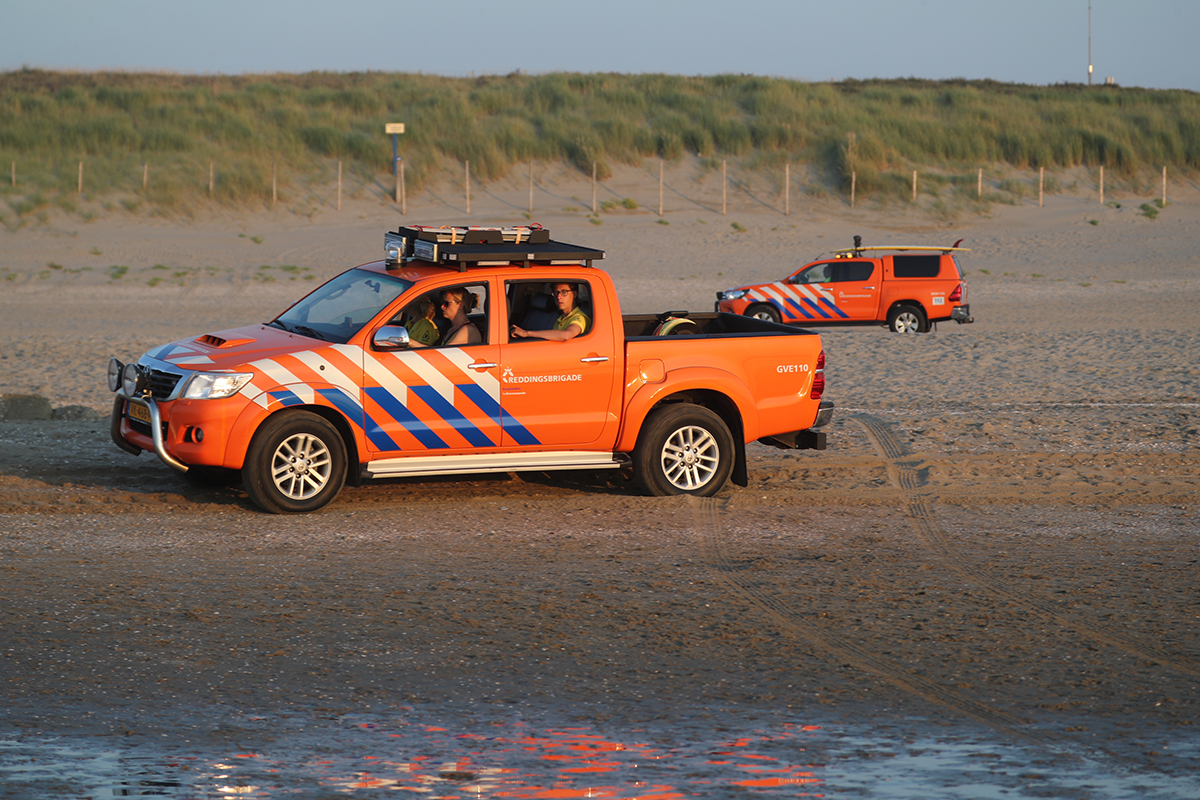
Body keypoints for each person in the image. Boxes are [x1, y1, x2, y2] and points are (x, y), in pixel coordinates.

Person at [510, 283, 590, 342]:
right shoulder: (561, 317)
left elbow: (566, 335)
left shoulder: (580, 318)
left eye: (564, 292)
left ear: (575, 294)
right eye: (556, 293)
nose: (558, 297)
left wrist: (526, 333)